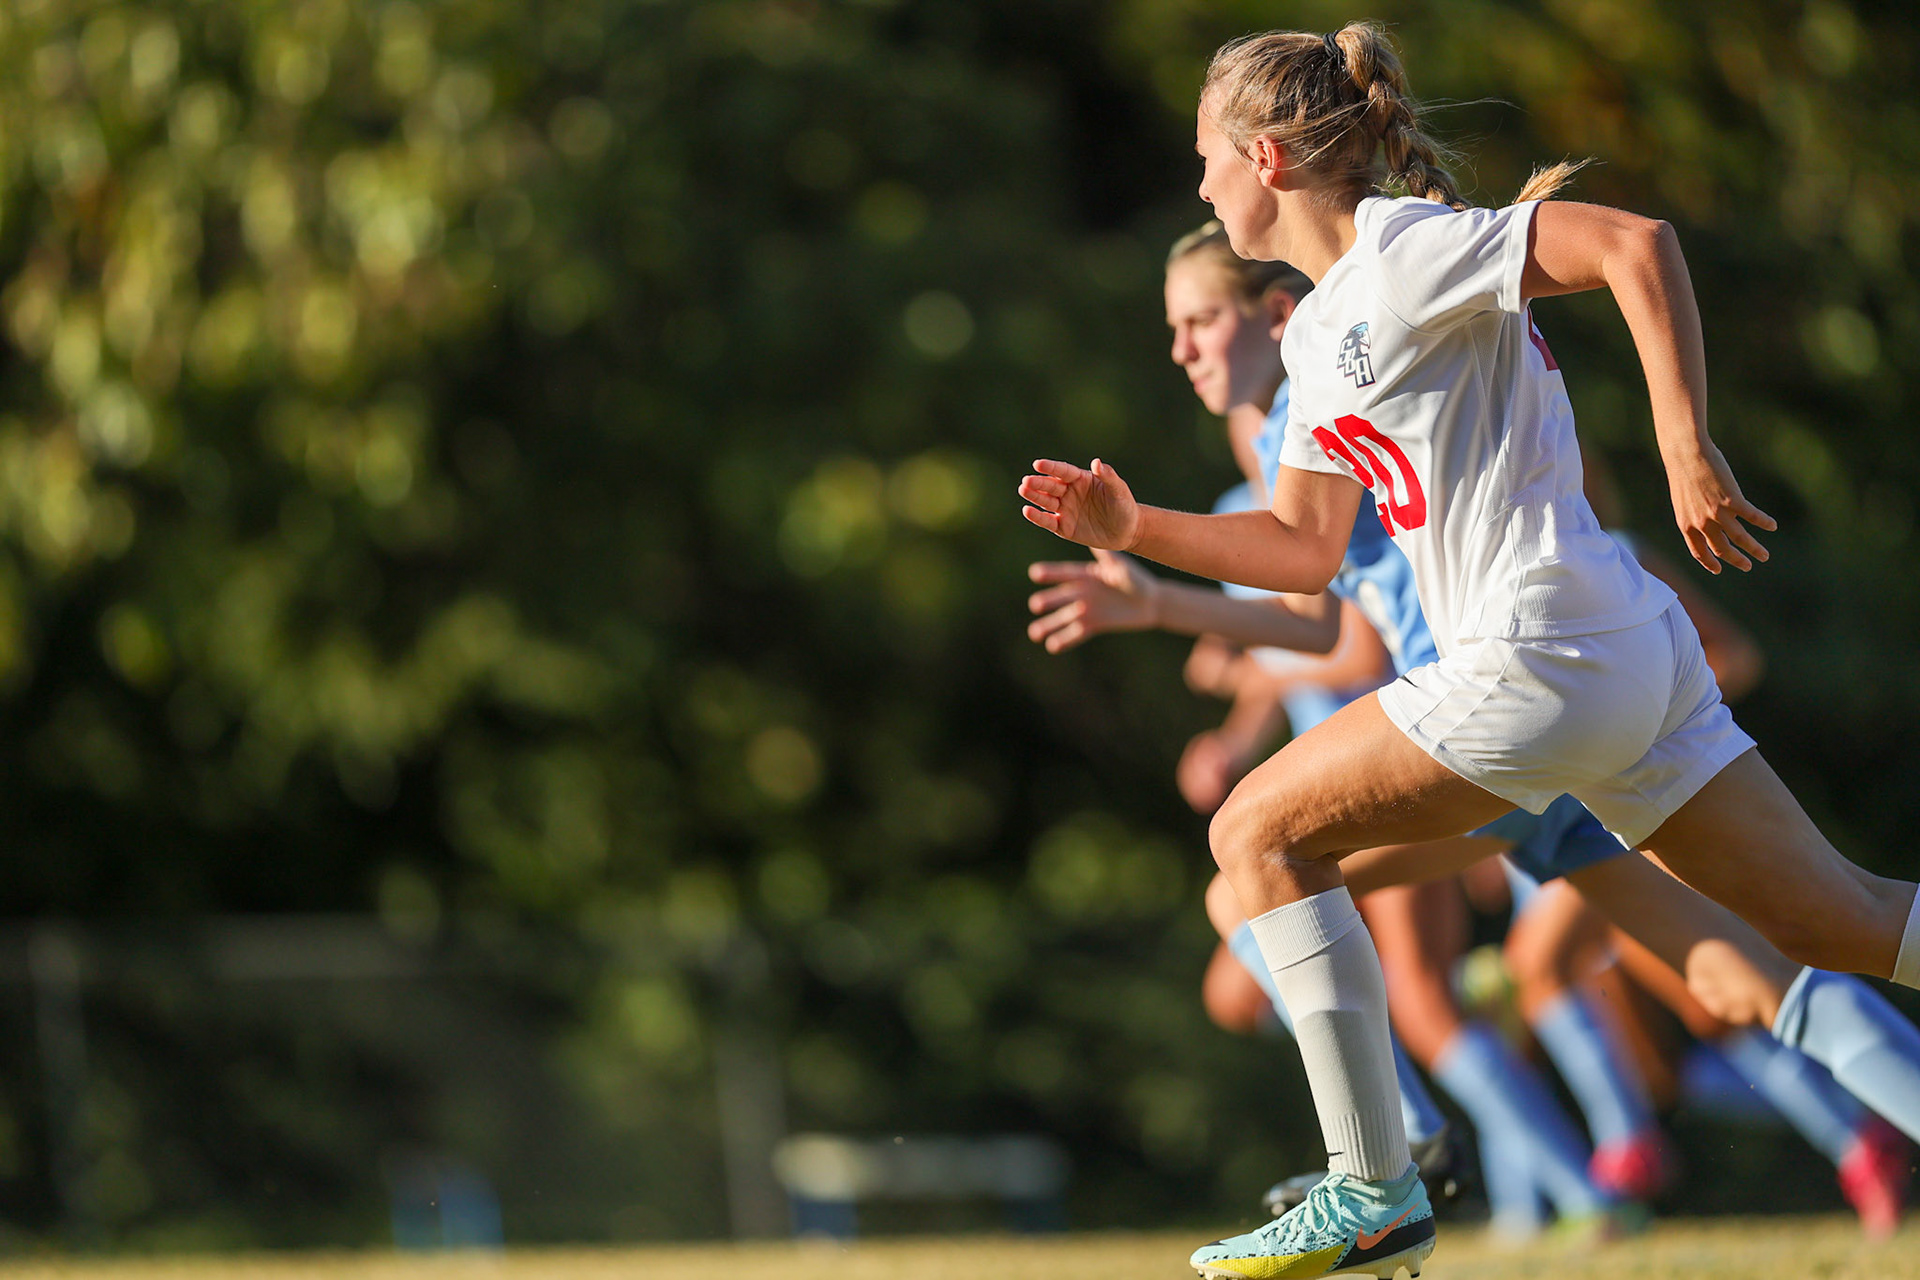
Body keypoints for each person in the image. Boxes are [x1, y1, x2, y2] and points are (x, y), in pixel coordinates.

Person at [1016, 23, 1920, 1280]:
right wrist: (1136, 530)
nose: (1202, 184)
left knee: (1251, 837)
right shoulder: (1316, 334)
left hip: (1541, 649)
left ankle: (1372, 1188)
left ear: (1268, 158)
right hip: (1616, 658)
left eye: (1206, 158)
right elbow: (1300, 549)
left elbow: (1632, 243)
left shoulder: (1406, 246)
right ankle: (1379, 1178)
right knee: (1849, 921)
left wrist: (1683, 442)